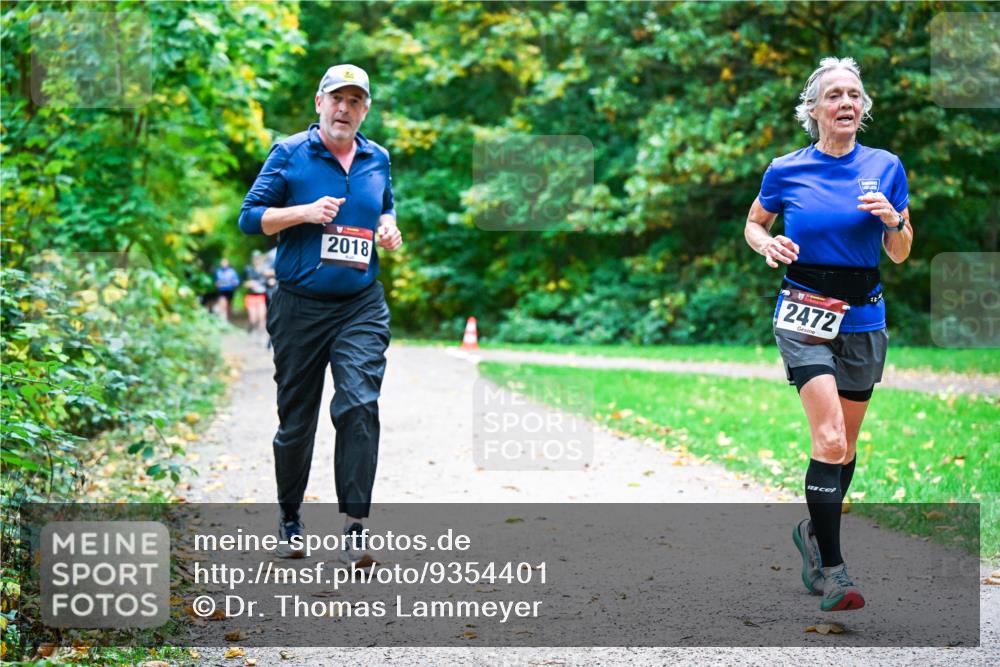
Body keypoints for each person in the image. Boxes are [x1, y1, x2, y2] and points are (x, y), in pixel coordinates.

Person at [743, 57, 912, 611]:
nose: (846, 103)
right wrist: (766, 244)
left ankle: (814, 530)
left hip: (864, 315)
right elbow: (754, 223)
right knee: (831, 440)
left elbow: (901, 250)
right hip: (803, 310)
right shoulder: (786, 169)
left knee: (848, 448)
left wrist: (894, 219)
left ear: (862, 109)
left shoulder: (886, 167)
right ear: (813, 109)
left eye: (855, 95)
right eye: (835, 95)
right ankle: (833, 572)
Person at [238, 64, 403, 562]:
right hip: (299, 307)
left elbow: (385, 205)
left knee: (358, 404)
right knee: (297, 421)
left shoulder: (378, 158)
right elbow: (249, 219)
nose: (344, 109)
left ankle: (355, 525)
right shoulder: (290, 153)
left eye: (355, 101)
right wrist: (303, 213)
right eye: (337, 98)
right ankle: (290, 517)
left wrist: (389, 228)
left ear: (365, 109)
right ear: (319, 102)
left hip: (360, 304)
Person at [243, 251, 269, 338]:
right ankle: (251, 329)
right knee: (253, 318)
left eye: (258, 258)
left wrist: (270, 281)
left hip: (261, 296)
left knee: (262, 317)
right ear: (252, 259)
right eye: (255, 258)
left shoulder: (266, 270)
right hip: (251, 296)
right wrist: (249, 283)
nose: (256, 260)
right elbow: (242, 283)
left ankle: (260, 336)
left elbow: (269, 282)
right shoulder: (248, 269)